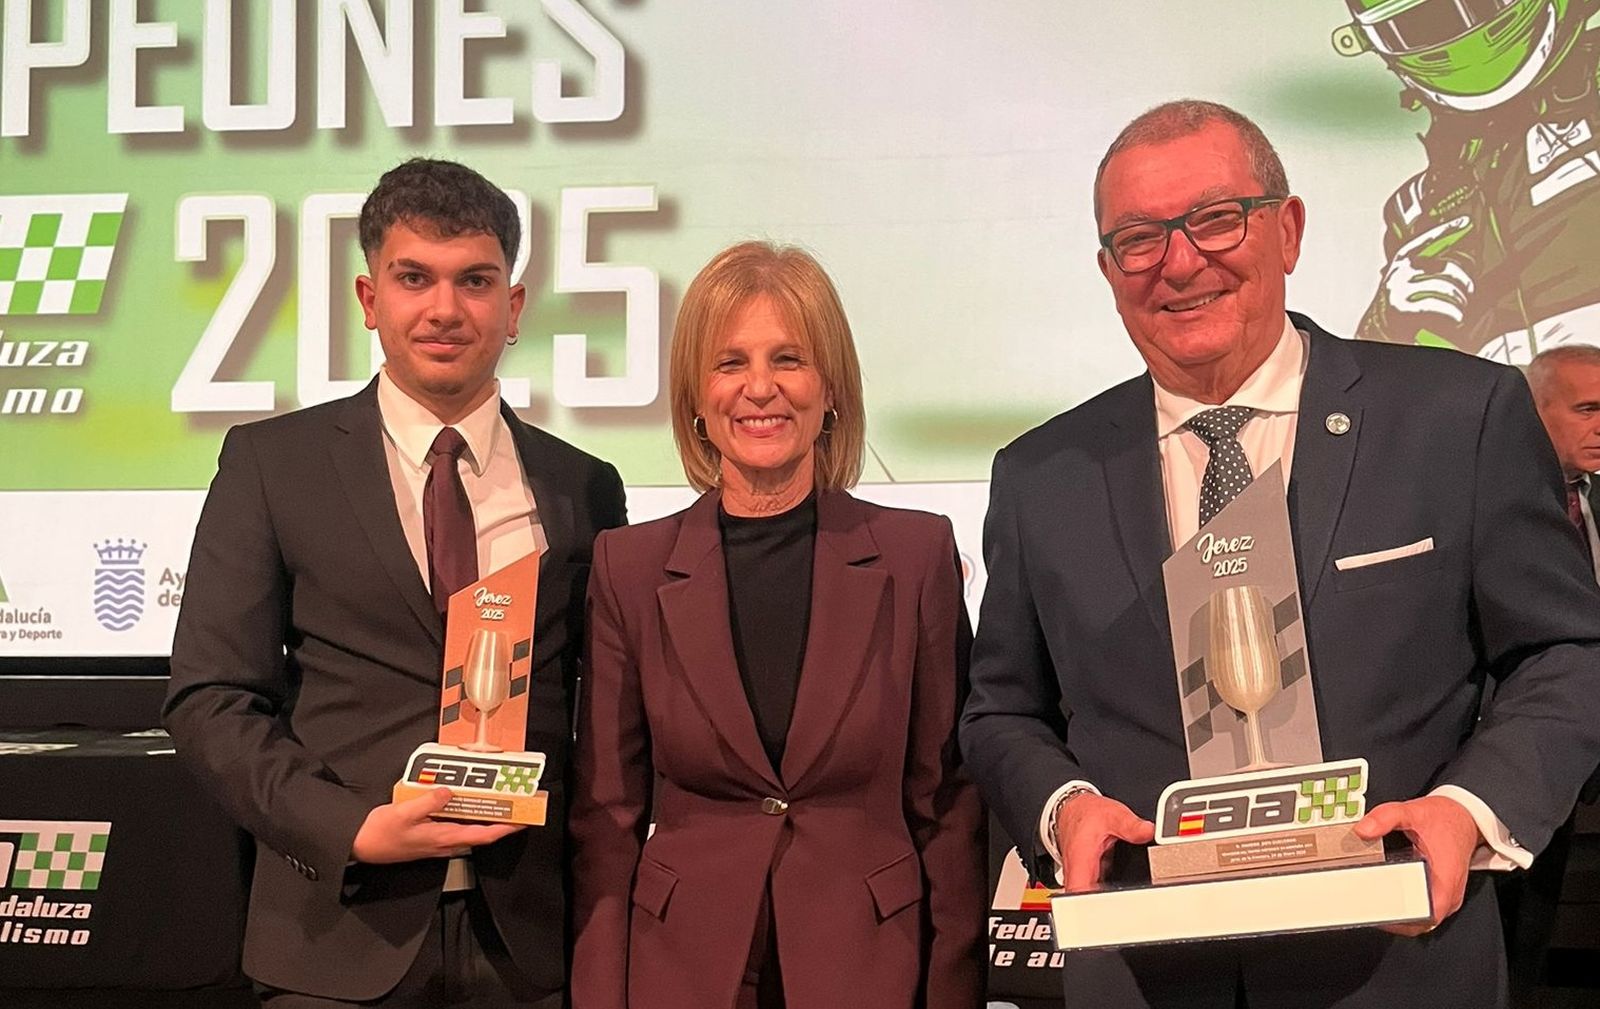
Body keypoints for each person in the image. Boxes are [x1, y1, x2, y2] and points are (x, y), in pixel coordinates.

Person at [959, 100, 1600, 1008]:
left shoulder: (1459, 419)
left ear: (1288, 228)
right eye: (1139, 239)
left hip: (1397, 967)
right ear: (1107, 270)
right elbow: (1002, 711)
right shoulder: (1040, 474)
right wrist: (1064, 810)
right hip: (1145, 973)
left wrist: (1467, 810)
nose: (1180, 262)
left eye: (1217, 219)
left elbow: (1567, 651)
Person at [164, 159, 627, 1008]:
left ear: (514, 307)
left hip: (529, 947)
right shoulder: (274, 466)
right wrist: (356, 829)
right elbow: (211, 697)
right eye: (415, 277)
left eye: (475, 281)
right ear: (370, 299)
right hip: (334, 945)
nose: (446, 308)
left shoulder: (585, 487)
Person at [569, 241, 985, 1009]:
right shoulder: (628, 567)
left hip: (870, 969)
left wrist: (954, 990)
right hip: (682, 974)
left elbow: (947, 808)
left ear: (831, 390)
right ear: (696, 395)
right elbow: (607, 820)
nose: (760, 388)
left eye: (788, 359)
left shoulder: (915, 554)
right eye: (730, 363)